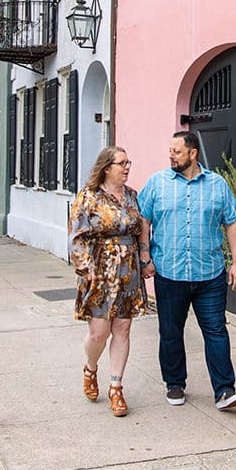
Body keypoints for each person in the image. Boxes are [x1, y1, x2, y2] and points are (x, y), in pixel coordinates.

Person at [138, 131, 236, 411]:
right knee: (171, 331)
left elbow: (232, 221)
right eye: (170, 151)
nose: (171, 155)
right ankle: (175, 383)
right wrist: (145, 255)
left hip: (208, 274)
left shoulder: (217, 185)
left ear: (193, 153)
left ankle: (225, 390)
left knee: (216, 331)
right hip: (170, 272)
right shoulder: (158, 183)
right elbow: (143, 219)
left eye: (177, 151)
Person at [69, 146, 149, 417]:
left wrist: (146, 258)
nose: (127, 167)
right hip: (100, 269)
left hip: (128, 270)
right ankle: (91, 368)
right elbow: (77, 236)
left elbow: (141, 231)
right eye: (121, 163)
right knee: (99, 332)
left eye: (129, 162)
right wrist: (84, 267)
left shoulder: (132, 196)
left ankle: (116, 387)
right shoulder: (88, 197)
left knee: (123, 328)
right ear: (106, 167)